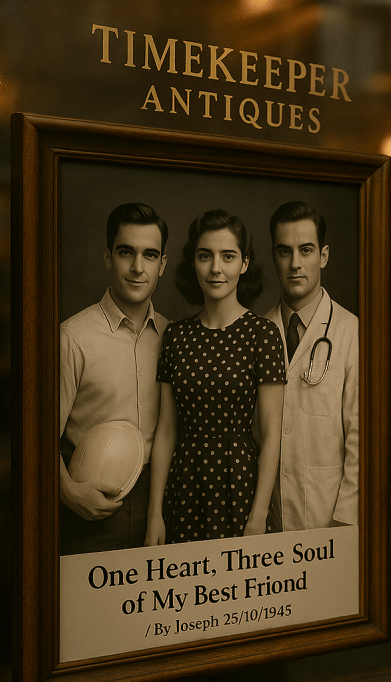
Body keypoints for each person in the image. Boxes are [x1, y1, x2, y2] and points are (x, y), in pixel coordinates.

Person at [145, 209, 285, 544]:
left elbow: (271, 434)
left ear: (245, 263)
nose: (216, 268)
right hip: (184, 488)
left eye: (228, 256)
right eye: (205, 256)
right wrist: (155, 515)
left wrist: (258, 516)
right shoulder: (175, 336)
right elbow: (166, 431)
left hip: (241, 487)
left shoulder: (262, 334)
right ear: (193, 262)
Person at [59, 202, 169, 555]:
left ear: (162, 265)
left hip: (161, 508)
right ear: (108, 256)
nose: (138, 268)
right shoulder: (73, 338)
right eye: (126, 252)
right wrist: (67, 491)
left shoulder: (174, 337)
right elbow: (35, 434)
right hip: (90, 508)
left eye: (150, 255)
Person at [264, 201, 359, 531]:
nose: (294, 264)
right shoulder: (257, 332)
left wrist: (345, 523)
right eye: (284, 251)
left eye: (306, 250)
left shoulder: (351, 333)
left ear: (324, 255)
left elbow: (360, 439)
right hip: (268, 524)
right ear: (273, 256)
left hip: (330, 523)